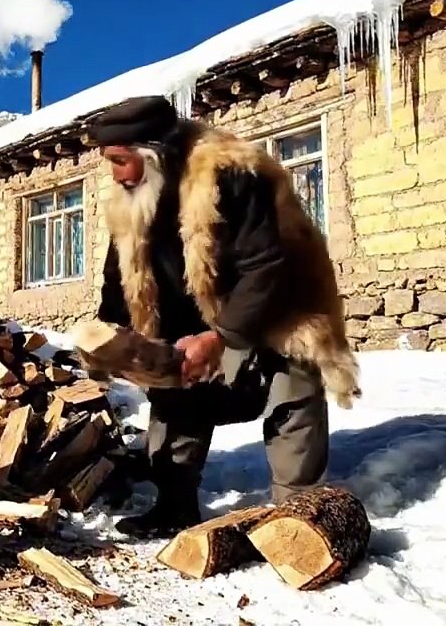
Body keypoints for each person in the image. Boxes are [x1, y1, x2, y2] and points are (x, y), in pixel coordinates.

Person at [83, 94, 360, 538]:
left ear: (151, 153)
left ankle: (298, 519)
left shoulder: (232, 175)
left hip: (274, 310)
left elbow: (266, 266)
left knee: (292, 389)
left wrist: (221, 337)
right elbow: (121, 272)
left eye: (119, 160)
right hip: (191, 318)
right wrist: (108, 333)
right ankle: (174, 507)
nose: (114, 174)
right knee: (172, 394)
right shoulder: (132, 196)